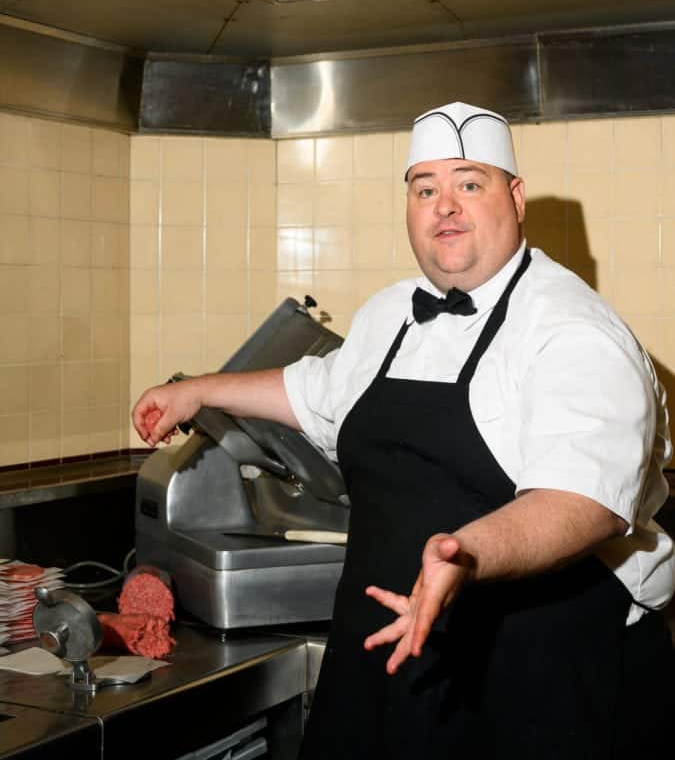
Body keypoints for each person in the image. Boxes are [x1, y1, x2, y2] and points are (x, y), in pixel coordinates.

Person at [132, 101, 675, 759]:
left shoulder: (576, 332)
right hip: (386, 651)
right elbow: (317, 390)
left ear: (515, 196)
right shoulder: (388, 314)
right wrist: (196, 390)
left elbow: (580, 503)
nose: (444, 205)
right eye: (425, 188)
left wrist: (465, 553)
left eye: (467, 182)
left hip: (537, 671)